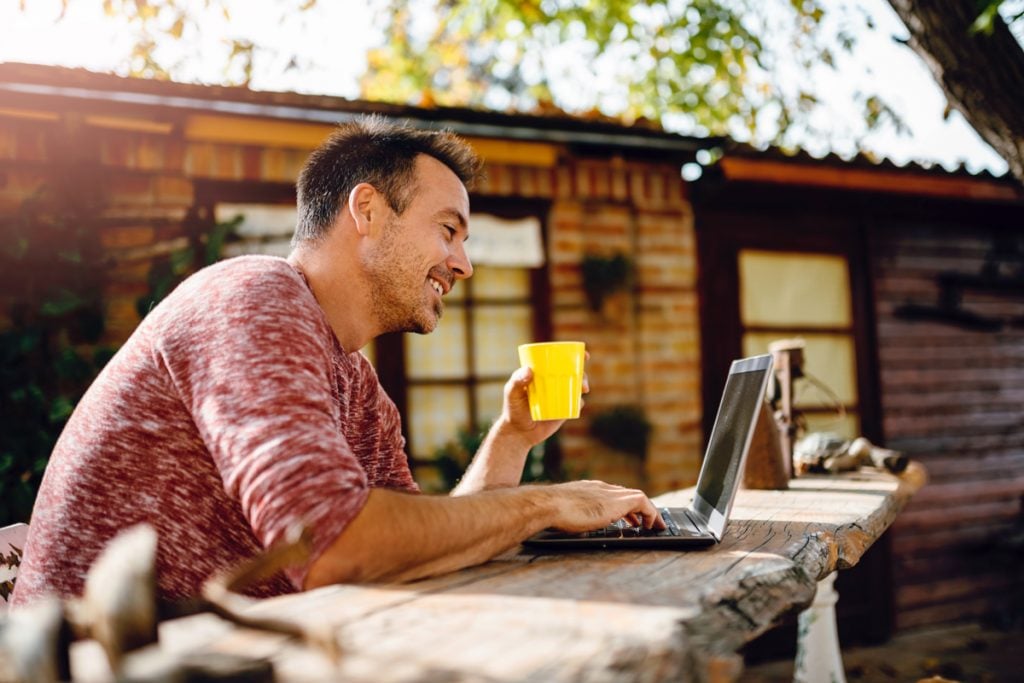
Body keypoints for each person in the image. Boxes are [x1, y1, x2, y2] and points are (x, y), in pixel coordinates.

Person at [12, 116, 663, 607]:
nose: (464, 263)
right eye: (448, 230)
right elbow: (333, 545)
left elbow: (414, 549)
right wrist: (543, 504)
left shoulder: (356, 383)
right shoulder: (251, 297)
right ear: (369, 211)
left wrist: (511, 440)